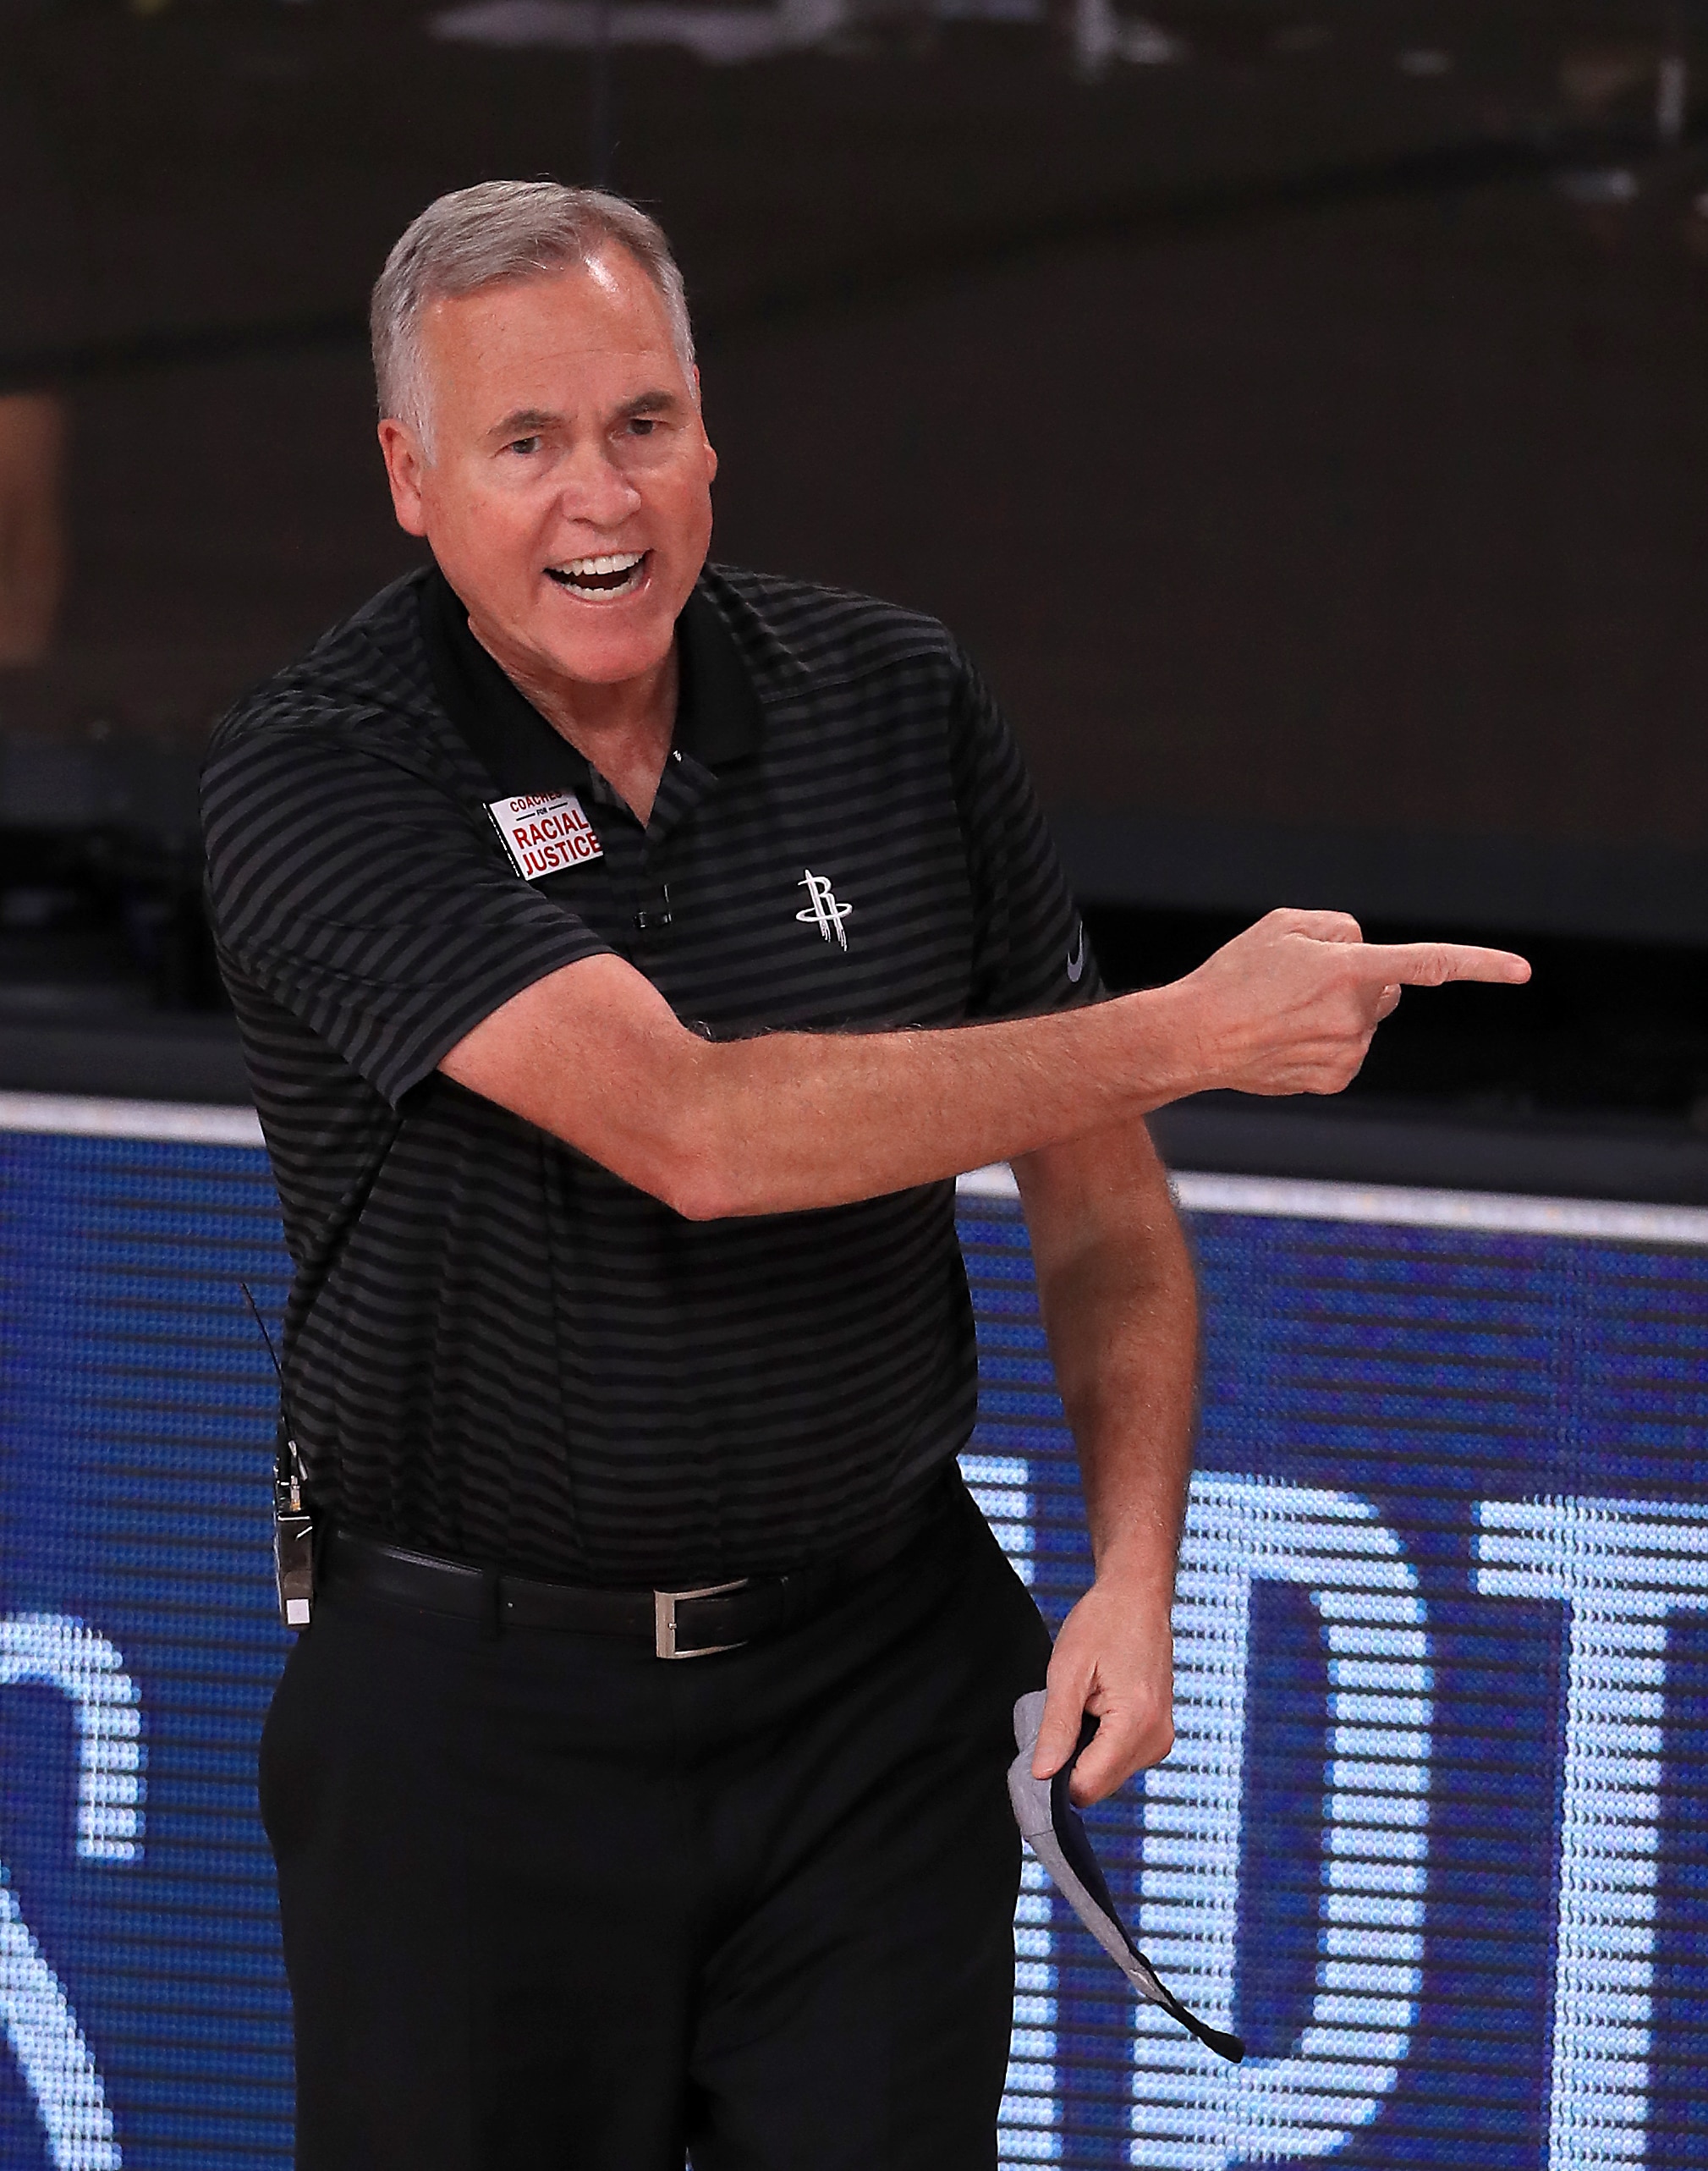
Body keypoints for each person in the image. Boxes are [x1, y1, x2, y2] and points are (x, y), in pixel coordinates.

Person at [200, 181, 1529, 2171]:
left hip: (876, 1709)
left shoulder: (895, 703)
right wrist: (1194, 1021)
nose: (603, 500)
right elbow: (697, 1133)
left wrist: (1137, 1571)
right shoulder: (318, 774)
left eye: (644, 422)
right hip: (471, 1742)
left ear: (710, 433)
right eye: (527, 441)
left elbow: (1095, 1205)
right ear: (409, 475)